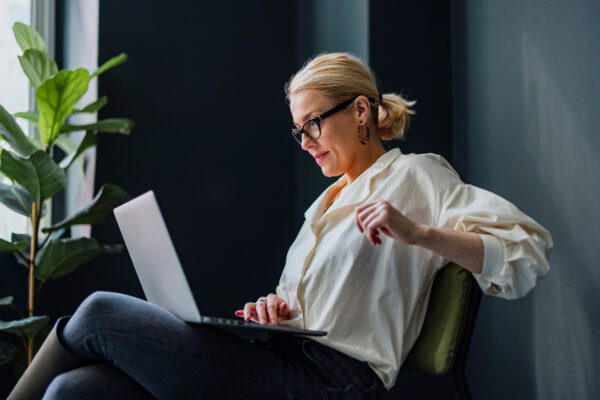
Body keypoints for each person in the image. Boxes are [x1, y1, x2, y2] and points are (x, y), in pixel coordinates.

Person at [8, 52, 553, 400]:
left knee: (100, 311)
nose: (307, 141)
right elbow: (319, 306)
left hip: (333, 383)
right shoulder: (323, 205)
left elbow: (525, 252)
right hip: (283, 358)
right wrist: (276, 310)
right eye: (299, 132)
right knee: (75, 390)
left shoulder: (415, 176)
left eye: (313, 123)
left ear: (360, 111)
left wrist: (418, 233)